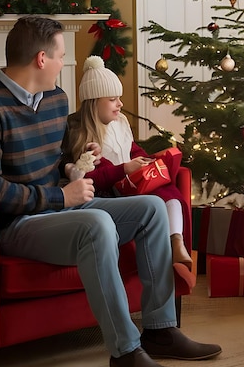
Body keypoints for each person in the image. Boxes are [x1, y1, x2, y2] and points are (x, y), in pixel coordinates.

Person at [0, 16, 221, 367]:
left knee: (151, 209)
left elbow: (53, 163)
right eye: (60, 56)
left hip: (60, 209)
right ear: (41, 59)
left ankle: (160, 330)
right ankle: (125, 353)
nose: (62, 64)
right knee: (98, 225)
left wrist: (75, 165)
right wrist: (60, 196)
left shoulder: (56, 100)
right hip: (18, 225)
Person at [63, 55, 193, 271]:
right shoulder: (82, 134)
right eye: (113, 99)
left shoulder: (120, 122)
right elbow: (93, 177)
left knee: (168, 189)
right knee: (158, 198)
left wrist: (151, 160)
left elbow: (131, 149)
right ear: (95, 101)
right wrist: (125, 169)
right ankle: (172, 246)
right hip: (116, 192)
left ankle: (177, 242)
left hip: (135, 181)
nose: (120, 104)